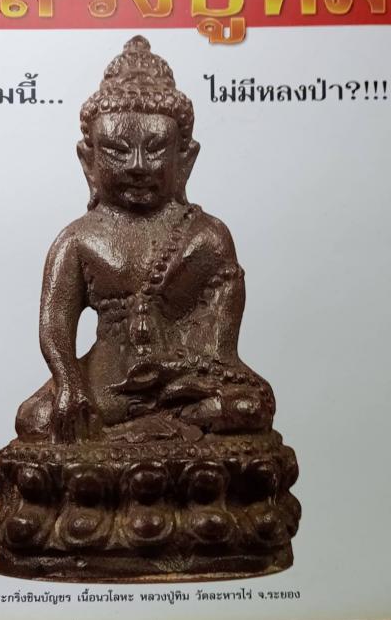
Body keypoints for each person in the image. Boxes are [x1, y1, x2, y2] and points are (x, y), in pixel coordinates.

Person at [16, 36, 275, 445]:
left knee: (248, 406)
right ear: (88, 161)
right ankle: (144, 430)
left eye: (155, 150)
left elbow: (221, 349)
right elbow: (55, 325)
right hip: (104, 386)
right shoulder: (77, 240)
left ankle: (146, 428)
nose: (137, 166)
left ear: (185, 159)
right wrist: (68, 383)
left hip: (182, 385)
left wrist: (179, 374)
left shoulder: (207, 238)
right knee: (35, 419)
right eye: (117, 151)